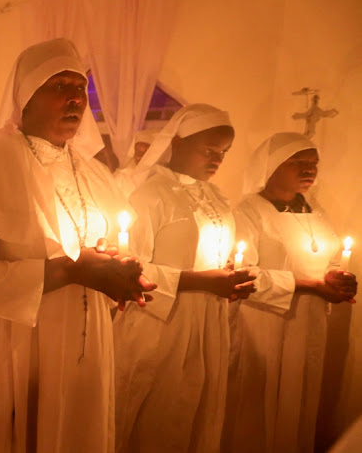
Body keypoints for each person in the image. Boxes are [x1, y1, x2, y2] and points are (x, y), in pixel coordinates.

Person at [0, 38, 154, 452]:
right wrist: (71, 270)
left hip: (86, 344)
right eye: (59, 87)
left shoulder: (95, 174)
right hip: (12, 344)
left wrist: (122, 272)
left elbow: (117, 246)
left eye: (80, 88)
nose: (74, 98)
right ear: (25, 100)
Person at [113, 103, 257, 453]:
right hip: (160, 322)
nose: (217, 160)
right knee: (156, 413)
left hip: (208, 320)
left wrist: (231, 278)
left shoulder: (217, 198)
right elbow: (130, 268)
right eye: (209, 150)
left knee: (195, 411)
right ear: (176, 144)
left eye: (223, 153)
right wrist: (204, 281)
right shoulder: (150, 195)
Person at [223, 132, 357, 453]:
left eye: (313, 164)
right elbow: (242, 274)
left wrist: (335, 275)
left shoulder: (315, 211)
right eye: (298, 162)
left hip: (310, 323)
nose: (308, 170)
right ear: (271, 166)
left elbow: (329, 257)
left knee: (300, 400)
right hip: (264, 323)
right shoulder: (248, 212)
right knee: (258, 405)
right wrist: (310, 285)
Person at [112, 128, 159, 199]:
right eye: (137, 151)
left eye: (145, 152)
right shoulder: (121, 177)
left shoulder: (161, 178)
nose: (139, 156)